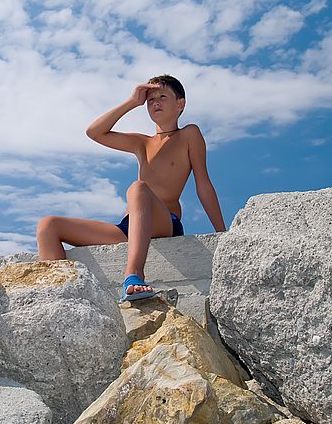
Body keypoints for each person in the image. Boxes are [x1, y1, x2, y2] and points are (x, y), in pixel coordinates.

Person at [36, 74, 227, 301]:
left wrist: (222, 234)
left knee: (138, 189)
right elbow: (94, 132)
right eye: (150, 99)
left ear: (180, 104)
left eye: (163, 97)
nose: (155, 102)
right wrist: (131, 102)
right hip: (129, 227)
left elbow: (203, 184)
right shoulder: (142, 143)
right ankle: (56, 299)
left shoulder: (189, 134)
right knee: (49, 225)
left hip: (164, 221)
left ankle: (134, 274)